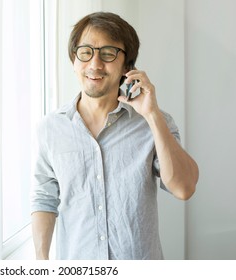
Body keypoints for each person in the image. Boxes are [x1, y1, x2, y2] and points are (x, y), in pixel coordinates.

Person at [30, 12, 199, 260]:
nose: (95, 64)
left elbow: (184, 188)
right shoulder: (50, 128)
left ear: (127, 66)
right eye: (85, 52)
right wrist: (41, 262)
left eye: (108, 53)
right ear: (74, 59)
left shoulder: (154, 122)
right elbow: (45, 199)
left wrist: (152, 116)